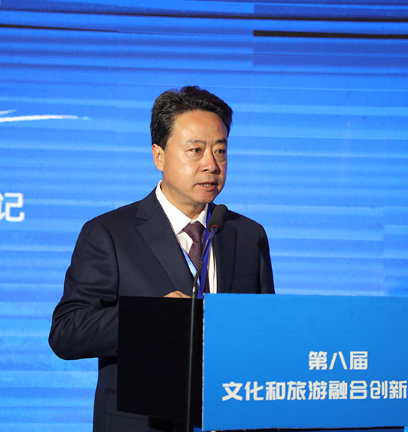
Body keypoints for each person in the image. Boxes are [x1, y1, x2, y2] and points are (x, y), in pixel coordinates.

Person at [49, 86, 275, 432]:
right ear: (159, 156)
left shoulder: (246, 234)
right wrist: (149, 319)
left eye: (220, 150)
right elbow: (67, 332)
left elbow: (265, 333)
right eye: (195, 150)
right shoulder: (110, 233)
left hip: (228, 418)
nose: (211, 165)